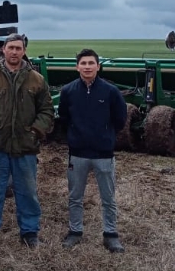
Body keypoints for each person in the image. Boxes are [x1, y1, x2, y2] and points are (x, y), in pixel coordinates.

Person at [0, 33, 54, 249]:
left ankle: (29, 232)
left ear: (24, 51)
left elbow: (46, 110)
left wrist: (35, 132)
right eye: (11, 48)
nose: (14, 52)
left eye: (18, 48)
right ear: (4, 50)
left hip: (25, 147)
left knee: (28, 192)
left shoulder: (36, 80)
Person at [58, 48, 127, 252]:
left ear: (98, 66)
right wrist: (75, 137)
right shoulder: (68, 91)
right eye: (83, 63)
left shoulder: (111, 92)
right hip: (77, 154)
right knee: (75, 197)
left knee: (108, 197)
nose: (87, 67)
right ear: (77, 67)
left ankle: (111, 235)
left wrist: (105, 137)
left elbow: (120, 119)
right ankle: (75, 232)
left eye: (91, 63)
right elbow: (63, 118)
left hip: (103, 154)